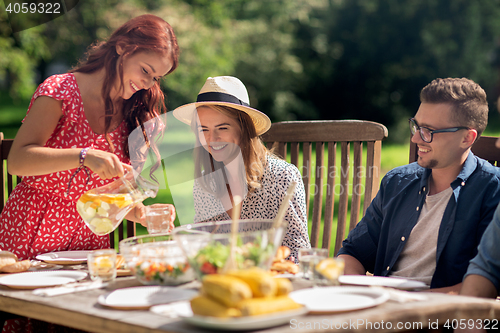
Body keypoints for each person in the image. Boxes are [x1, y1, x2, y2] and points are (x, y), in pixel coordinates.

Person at [0, 14, 179, 263]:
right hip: (30, 234)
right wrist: (84, 156)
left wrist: (141, 214)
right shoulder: (60, 91)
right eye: (145, 70)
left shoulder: (132, 112)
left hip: (88, 246)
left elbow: (110, 193)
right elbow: (18, 161)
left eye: (156, 78)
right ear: (122, 48)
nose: (147, 83)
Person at [337, 77, 500, 293]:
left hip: (439, 318)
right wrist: (359, 293)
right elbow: (353, 252)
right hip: (379, 308)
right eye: (416, 126)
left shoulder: (492, 191)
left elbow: (485, 283)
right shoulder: (397, 181)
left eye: (429, 131)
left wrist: (406, 304)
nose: (415, 139)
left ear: (467, 138)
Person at [173, 76, 311, 261]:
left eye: (222, 128)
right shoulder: (205, 184)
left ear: (244, 129)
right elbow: (203, 250)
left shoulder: (283, 177)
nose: (211, 138)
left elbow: (299, 252)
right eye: (203, 129)